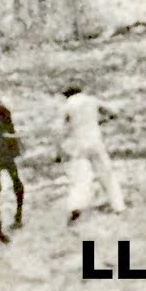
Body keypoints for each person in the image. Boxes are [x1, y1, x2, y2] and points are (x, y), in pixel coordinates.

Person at [59, 86, 125, 226]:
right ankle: (118, 206)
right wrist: (101, 121)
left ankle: (75, 206)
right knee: (106, 173)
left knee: (81, 178)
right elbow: (114, 112)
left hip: (80, 144)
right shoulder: (91, 100)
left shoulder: (68, 105)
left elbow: (61, 130)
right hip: (95, 140)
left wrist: (58, 152)